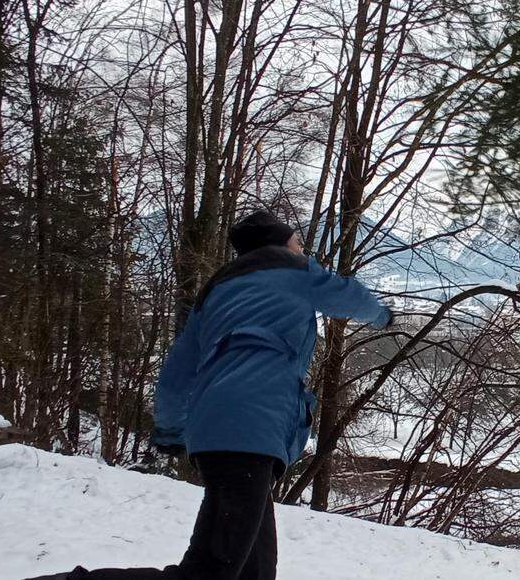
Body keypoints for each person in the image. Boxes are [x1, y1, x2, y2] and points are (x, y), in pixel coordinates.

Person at [29, 210, 392, 580]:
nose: (303, 248)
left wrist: (171, 430)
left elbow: (176, 372)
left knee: (255, 568)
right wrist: (384, 316)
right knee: (208, 572)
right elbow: (351, 297)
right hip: (250, 430)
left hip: (219, 432)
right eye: (298, 241)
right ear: (280, 243)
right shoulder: (293, 269)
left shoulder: (216, 291)